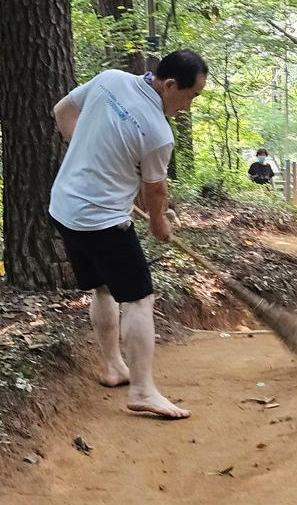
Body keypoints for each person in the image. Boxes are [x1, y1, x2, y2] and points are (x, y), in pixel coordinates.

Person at [49, 50, 208, 420]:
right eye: (190, 96)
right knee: (139, 299)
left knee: (103, 288)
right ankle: (142, 390)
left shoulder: (110, 80)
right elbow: (154, 192)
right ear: (169, 85)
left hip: (64, 209)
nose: (188, 107)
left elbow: (62, 112)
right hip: (102, 221)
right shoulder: (157, 133)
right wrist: (160, 225)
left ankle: (114, 367)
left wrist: (89, 156)